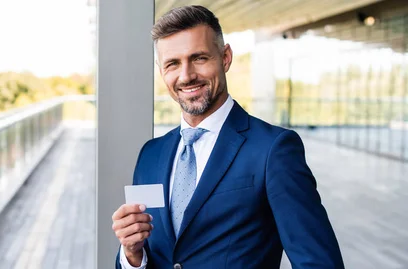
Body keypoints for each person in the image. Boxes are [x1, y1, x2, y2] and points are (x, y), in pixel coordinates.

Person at [111, 5, 344, 269]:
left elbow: (319, 262)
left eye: (198, 58)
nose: (186, 75)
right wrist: (132, 256)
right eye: (173, 63)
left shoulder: (273, 150)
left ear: (225, 58)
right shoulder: (150, 155)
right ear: (161, 70)